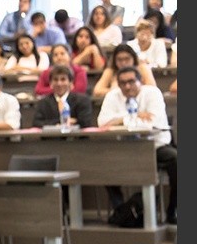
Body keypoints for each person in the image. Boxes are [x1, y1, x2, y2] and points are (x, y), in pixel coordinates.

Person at [97, 66, 177, 225]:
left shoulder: (152, 93)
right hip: (124, 149)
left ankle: (172, 210)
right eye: (123, 83)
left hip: (155, 146)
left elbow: (151, 123)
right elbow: (103, 124)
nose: (127, 86)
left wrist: (119, 120)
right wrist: (132, 116)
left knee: (177, 160)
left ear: (140, 81)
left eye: (131, 82)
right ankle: (122, 210)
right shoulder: (113, 96)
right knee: (102, 162)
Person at [31, 65, 94, 129]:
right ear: (50, 83)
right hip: (50, 138)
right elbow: (36, 123)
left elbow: (86, 122)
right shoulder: (43, 102)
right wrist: (63, 122)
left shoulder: (82, 100)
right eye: (55, 80)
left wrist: (51, 123)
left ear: (70, 82)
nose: (59, 83)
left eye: (63, 79)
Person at [92, 43, 157, 99]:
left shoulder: (142, 68)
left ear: (133, 58)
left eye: (127, 59)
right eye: (120, 60)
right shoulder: (110, 71)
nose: (123, 63)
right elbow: (97, 91)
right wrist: (117, 91)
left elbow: (152, 87)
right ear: (115, 61)